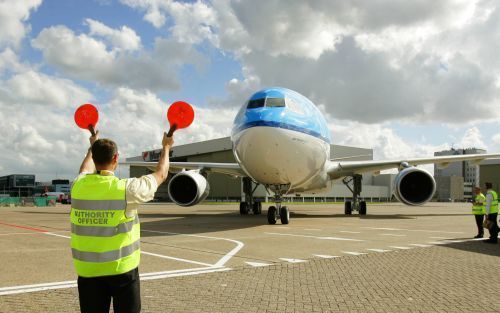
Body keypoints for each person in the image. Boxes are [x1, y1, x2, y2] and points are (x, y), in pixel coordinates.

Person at [71, 130, 174, 313]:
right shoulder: (127, 190)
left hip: (88, 272)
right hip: (122, 272)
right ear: (116, 158)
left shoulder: (78, 186)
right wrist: (166, 146)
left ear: (94, 157)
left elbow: (84, 170)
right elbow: (161, 174)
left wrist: (92, 145)